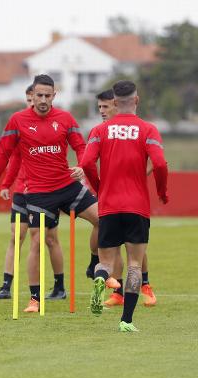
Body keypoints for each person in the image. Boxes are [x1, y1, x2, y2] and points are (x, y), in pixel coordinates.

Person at [0, 74, 119, 314]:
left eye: (48, 95)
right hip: (39, 193)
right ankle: (35, 299)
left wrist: (82, 165)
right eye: (39, 95)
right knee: (37, 240)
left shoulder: (65, 118)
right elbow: (3, 154)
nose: (43, 100)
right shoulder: (17, 120)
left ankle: (93, 262)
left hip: (68, 185)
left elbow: (80, 146)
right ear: (32, 96)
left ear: (54, 95)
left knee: (105, 219)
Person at [81, 80, 168, 331]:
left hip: (109, 205)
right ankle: (126, 321)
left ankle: (100, 280)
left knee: (106, 263)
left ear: (116, 103)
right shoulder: (148, 130)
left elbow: (87, 163)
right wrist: (161, 191)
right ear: (137, 100)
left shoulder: (100, 130)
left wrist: (100, 187)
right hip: (137, 206)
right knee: (134, 265)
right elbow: (160, 164)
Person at [0, 85, 66, 301]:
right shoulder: (20, 124)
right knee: (16, 236)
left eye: (39, 98)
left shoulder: (49, 124)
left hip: (44, 190)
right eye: (29, 100)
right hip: (22, 191)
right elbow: (14, 158)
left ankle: (59, 287)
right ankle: (6, 285)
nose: (33, 104)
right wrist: (6, 184)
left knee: (49, 239)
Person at [96, 89, 157, 307]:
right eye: (99, 107)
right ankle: (120, 293)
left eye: (105, 107)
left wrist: (139, 176)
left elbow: (157, 159)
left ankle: (146, 285)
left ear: (116, 104)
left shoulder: (136, 128)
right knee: (122, 248)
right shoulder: (103, 131)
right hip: (117, 199)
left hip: (122, 198)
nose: (102, 111)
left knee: (134, 251)